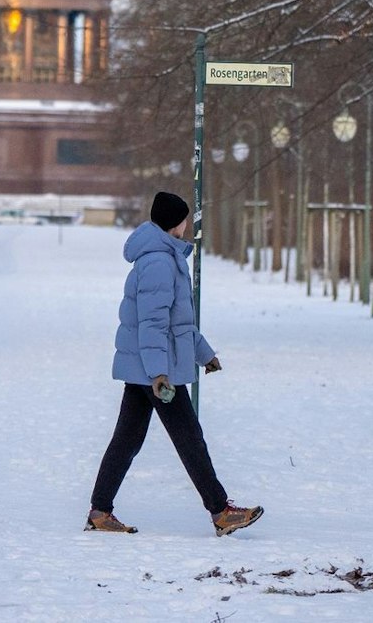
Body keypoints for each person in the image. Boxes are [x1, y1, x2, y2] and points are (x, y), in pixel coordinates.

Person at [85, 190, 262, 537]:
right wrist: (159, 373)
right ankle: (220, 511)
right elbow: (153, 325)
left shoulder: (164, 257)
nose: (187, 224)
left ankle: (100, 511)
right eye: (185, 219)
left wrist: (204, 354)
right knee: (189, 438)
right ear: (176, 222)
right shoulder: (159, 262)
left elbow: (179, 323)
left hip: (147, 368)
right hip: (155, 371)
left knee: (126, 441)